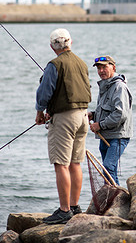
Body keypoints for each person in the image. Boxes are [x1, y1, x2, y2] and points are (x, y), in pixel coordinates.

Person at [35, 28, 91, 225]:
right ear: (71, 42)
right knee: (76, 163)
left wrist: (40, 111)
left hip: (65, 120)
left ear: (52, 47)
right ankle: (75, 206)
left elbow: (44, 93)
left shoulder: (54, 65)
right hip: (83, 117)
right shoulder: (82, 63)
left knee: (61, 164)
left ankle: (64, 210)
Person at [89, 55, 133, 186]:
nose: (101, 71)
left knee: (108, 167)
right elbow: (106, 110)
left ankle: (115, 197)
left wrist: (100, 125)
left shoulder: (119, 87)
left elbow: (120, 114)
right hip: (106, 135)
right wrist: (92, 115)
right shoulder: (105, 86)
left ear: (113, 67)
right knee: (108, 169)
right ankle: (115, 196)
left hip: (118, 136)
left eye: (104, 67)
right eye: (99, 68)